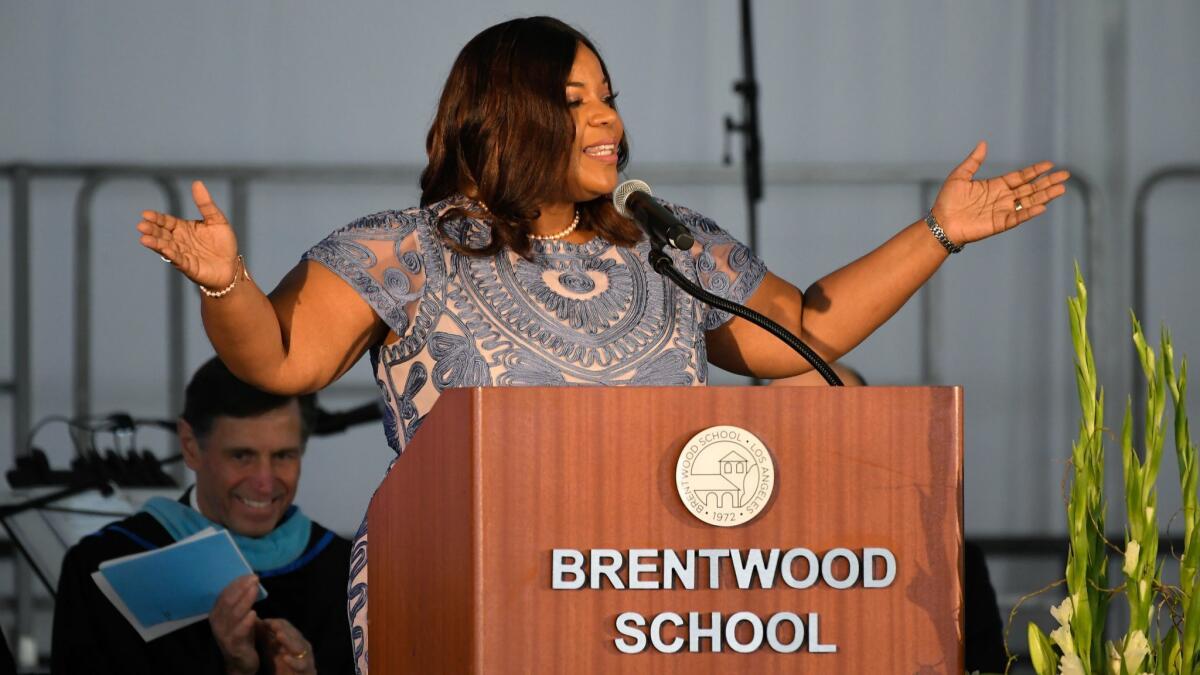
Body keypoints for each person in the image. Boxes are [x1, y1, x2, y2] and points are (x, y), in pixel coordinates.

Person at [133, 16, 1068, 673]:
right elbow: (277, 360)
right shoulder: (408, 248)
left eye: (610, 98)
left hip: (658, 604)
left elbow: (806, 329)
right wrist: (227, 282)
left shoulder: (663, 240)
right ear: (508, 109)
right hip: (467, 597)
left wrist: (936, 233)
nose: (610, 120)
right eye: (578, 99)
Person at [51, 357, 353, 675]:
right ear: (191, 446)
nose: (264, 483)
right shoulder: (102, 568)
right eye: (241, 455)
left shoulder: (348, 576)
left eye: (283, 456)